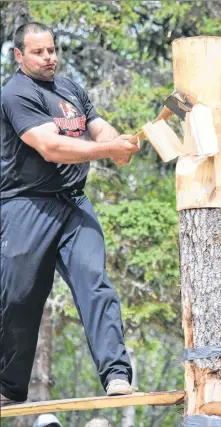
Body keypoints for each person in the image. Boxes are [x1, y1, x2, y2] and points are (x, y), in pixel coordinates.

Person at [0, 22, 139, 407]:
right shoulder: (16, 94)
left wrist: (117, 141)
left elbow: (97, 126)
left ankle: (116, 375)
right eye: (39, 52)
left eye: (52, 50)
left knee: (94, 281)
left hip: (73, 203)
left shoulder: (70, 88)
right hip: (26, 205)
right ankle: (9, 388)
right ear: (19, 56)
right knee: (20, 298)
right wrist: (108, 151)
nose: (50, 58)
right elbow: (51, 147)